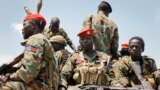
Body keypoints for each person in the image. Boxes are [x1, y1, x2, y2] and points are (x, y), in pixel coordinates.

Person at [0, 13, 59, 90]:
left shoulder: (35, 39)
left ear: (33, 25)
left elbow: (28, 72)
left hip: (41, 86)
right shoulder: (43, 39)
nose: (22, 28)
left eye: (24, 25)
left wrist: (7, 77)